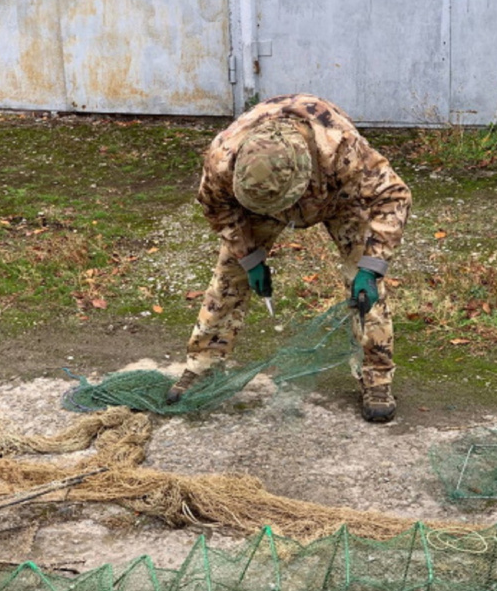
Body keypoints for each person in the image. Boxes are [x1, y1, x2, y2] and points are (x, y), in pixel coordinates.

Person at [167, 94, 411, 422]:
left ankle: (377, 378)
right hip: (258, 204)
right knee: (230, 274)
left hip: (338, 197)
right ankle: (202, 367)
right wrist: (248, 256)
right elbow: (217, 207)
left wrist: (372, 265)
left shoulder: (341, 149)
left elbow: (394, 195)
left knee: (365, 287)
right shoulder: (222, 157)